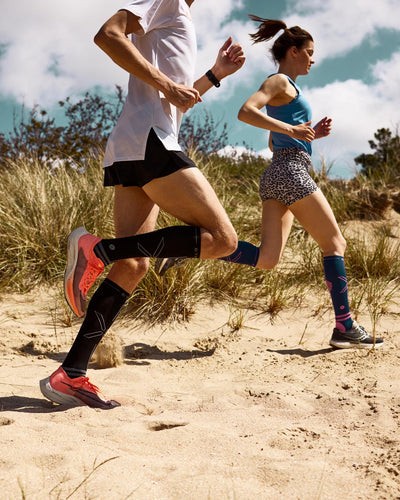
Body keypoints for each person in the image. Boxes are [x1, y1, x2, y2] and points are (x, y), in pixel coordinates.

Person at [39, 0, 245, 409]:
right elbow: (107, 35)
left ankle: (71, 374)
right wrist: (168, 85)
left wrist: (214, 75)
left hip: (137, 142)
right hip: (150, 141)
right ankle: (97, 249)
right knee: (222, 240)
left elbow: (179, 100)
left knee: (133, 265)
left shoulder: (180, 16)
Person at [156, 15, 384, 351]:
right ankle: (345, 326)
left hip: (278, 171)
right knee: (334, 243)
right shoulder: (279, 81)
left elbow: (272, 141)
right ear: (293, 51)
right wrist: (294, 132)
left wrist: (307, 135)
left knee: (267, 259)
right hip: (291, 172)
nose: (313, 58)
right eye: (309, 51)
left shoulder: (287, 89)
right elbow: (245, 111)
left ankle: (192, 248)